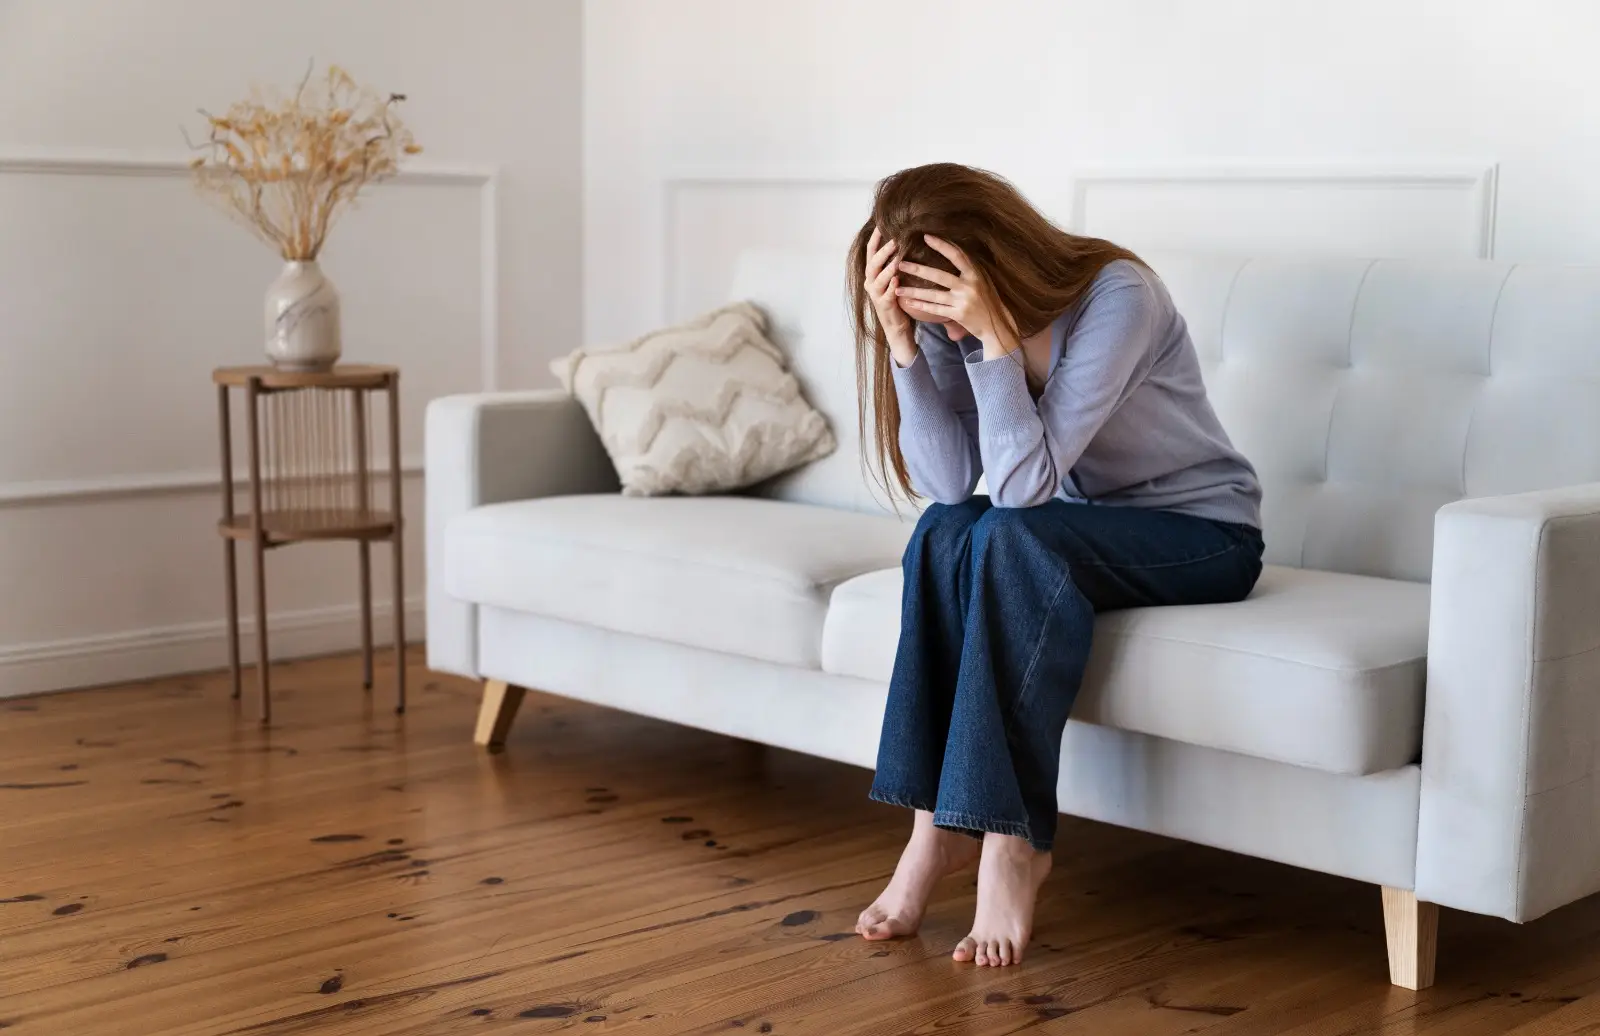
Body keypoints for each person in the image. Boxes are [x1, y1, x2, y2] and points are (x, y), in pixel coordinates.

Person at [846, 163, 1265, 967]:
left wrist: (995, 341)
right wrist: (906, 342)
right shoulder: (941, 321)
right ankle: (930, 831)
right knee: (943, 531)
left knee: (1006, 535)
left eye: (943, 301)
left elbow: (1021, 487)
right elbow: (944, 484)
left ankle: (1014, 841)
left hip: (1203, 534)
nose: (944, 323)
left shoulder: (1118, 296)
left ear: (993, 257)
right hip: (1076, 531)